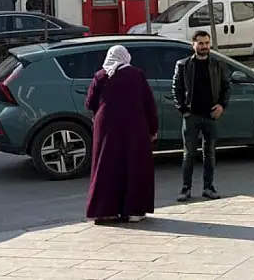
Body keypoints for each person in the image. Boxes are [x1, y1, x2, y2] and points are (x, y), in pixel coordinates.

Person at [85, 45, 158, 223]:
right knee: (134, 165)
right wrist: (153, 129)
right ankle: (134, 210)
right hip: (134, 126)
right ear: (126, 57)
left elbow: (90, 103)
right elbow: (149, 104)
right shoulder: (137, 75)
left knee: (106, 166)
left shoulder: (101, 75)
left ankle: (105, 210)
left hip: (106, 127)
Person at [172, 30, 231, 202]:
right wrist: (183, 110)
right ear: (193, 45)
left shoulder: (217, 64)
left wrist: (222, 105)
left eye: (207, 43)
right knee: (188, 154)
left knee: (210, 153)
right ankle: (185, 189)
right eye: (201, 43)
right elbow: (177, 89)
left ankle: (208, 187)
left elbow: (227, 86)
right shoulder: (183, 65)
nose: (204, 46)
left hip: (210, 116)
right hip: (191, 116)